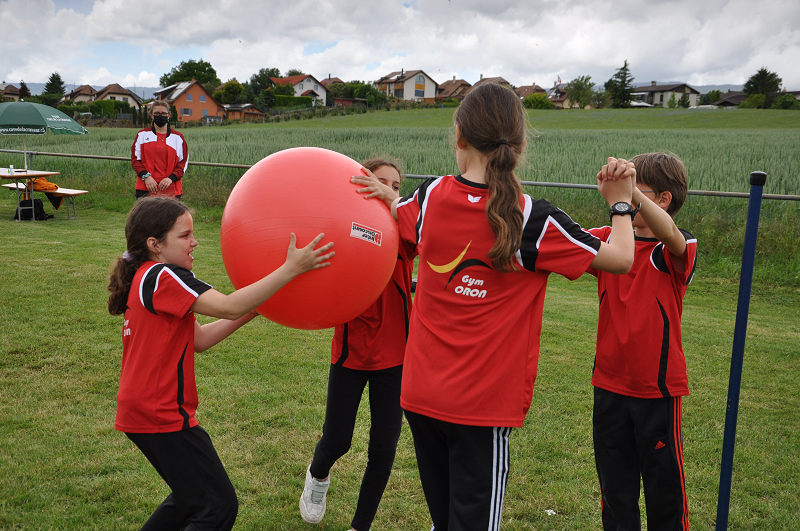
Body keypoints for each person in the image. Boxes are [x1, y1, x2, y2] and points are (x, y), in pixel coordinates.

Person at [351, 82, 637, 531]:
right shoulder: (532, 219)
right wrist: (620, 202)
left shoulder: (429, 197)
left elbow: (400, 213)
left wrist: (385, 196)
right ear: (519, 146)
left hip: (420, 396)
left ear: (459, 135)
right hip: (480, 412)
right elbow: (621, 259)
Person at [107, 196, 334, 530]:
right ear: (155, 245)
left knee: (190, 498)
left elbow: (198, 339)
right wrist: (292, 268)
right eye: (185, 235)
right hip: (160, 412)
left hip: (142, 409)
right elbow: (228, 305)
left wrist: (257, 309)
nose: (195, 242)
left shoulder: (148, 276)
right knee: (218, 506)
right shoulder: (163, 275)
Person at [299, 158, 414, 530]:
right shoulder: (346, 225)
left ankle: (359, 525)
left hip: (396, 354)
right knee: (338, 440)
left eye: (395, 186)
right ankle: (317, 476)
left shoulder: (407, 229)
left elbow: (435, 237)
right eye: (380, 182)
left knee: (383, 448)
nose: (388, 190)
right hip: (352, 351)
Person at [587, 152, 697, 531]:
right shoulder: (610, 241)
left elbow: (671, 234)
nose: (627, 196)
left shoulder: (674, 249)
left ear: (663, 199)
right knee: (615, 494)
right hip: (608, 387)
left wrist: (628, 194)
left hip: (657, 391)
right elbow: (566, 238)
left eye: (638, 189)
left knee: (664, 493)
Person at [131, 100, 188, 199]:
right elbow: (135, 160)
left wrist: (171, 178)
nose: (160, 116)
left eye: (163, 113)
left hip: (172, 188)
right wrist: (146, 177)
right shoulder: (142, 135)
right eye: (157, 113)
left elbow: (183, 163)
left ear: (169, 115)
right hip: (145, 187)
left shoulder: (178, 137)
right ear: (151, 115)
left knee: (170, 210)